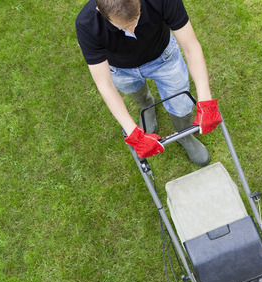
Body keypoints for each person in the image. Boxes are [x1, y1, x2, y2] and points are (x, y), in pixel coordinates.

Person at [75, 0, 222, 165]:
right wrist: (133, 134)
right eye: (123, 27)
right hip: (121, 69)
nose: (131, 30)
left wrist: (206, 100)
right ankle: (147, 105)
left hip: (164, 58)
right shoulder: (86, 24)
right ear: (99, 10)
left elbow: (191, 46)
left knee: (181, 105)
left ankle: (184, 135)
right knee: (136, 92)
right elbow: (105, 84)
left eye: (136, 19)